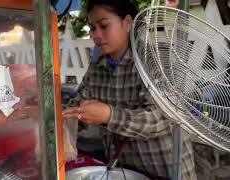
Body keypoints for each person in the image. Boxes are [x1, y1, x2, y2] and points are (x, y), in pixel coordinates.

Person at [62, 0, 197, 179]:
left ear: (127, 23)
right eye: (93, 28)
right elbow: (77, 107)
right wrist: (53, 116)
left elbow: (159, 119)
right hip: (122, 171)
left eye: (103, 25)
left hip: (166, 171)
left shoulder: (155, 61)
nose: (96, 35)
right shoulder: (97, 67)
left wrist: (109, 115)